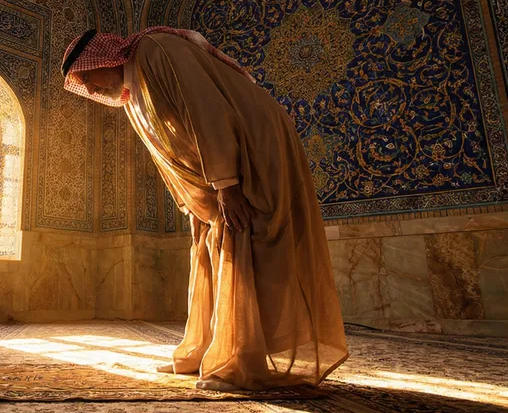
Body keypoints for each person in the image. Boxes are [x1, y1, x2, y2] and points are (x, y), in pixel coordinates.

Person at [62, 27, 348, 391]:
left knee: (244, 240)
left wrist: (226, 183)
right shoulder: (134, 89)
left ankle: (240, 362)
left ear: (105, 57)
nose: (89, 90)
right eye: (82, 84)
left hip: (252, 147)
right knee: (210, 245)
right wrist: (192, 198)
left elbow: (206, 112)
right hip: (219, 167)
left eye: (88, 77)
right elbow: (170, 149)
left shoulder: (154, 51)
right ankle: (204, 350)